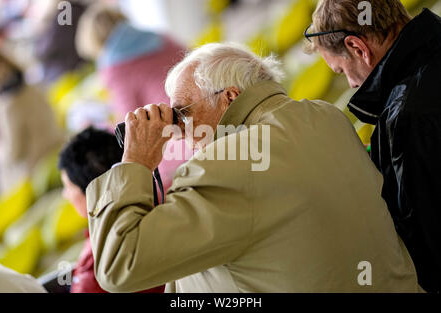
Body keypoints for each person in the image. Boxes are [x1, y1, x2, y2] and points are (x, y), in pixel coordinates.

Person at [86, 43, 421, 293]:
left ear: (230, 97)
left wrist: (136, 162)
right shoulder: (325, 116)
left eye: (183, 113)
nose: (180, 131)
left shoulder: (226, 166)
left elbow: (119, 267)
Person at [305, 0, 441, 292]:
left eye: (341, 71)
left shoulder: (405, 116)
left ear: (357, 48)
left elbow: (424, 245)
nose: (352, 84)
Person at [76, 3, 191, 193]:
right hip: (208, 120)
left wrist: (100, 127)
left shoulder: (115, 68)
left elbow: (129, 125)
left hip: (180, 146)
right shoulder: (160, 37)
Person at [58, 127, 164, 293]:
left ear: (91, 191)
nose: (66, 195)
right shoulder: (164, 202)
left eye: (68, 187)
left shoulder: (93, 273)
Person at [0, 52, 64, 194]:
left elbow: (13, 154)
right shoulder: (33, 86)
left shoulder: (8, 106)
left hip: (35, 174)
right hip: (56, 152)